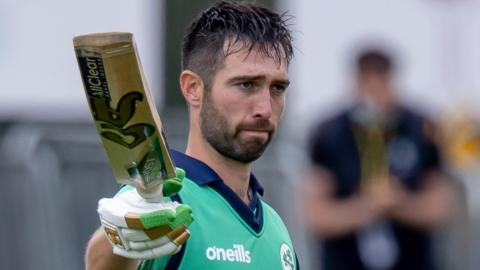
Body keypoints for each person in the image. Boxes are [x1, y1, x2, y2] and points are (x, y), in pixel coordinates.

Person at [85, 1, 299, 270]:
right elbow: (102, 261)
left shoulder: (276, 229)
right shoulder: (160, 200)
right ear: (193, 88)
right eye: (246, 84)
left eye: (277, 88)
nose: (265, 108)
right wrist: (116, 238)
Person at [303, 48, 452, 270]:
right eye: (367, 85)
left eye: (380, 85)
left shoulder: (421, 127)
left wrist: (399, 203)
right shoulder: (329, 131)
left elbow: (439, 208)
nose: (374, 95)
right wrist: (366, 206)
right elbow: (316, 215)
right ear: (355, 83)